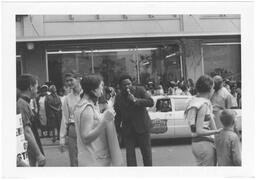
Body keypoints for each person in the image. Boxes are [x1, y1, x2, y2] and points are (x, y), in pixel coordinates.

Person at [74, 74, 122, 166]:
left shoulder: (86, 105)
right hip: (93, 161)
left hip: (93, 159)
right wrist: (105, 121)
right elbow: (86, 138)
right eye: (101, 86)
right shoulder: (87, 108)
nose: (102, 89)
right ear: (94, 90)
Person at [114, 74, 154, 166]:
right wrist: (117, 130)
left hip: (143, 128)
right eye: (124, 85)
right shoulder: (118, 97)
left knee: (146, 154)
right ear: (120, 86)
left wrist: (136, 100)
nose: (127, 86)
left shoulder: (140, 90)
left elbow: (151, 102)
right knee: (130, 156)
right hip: (128, 130)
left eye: (129, 84)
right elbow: (118, 115)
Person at [184, 75, 222, 166]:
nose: (213, 90)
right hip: (204, 144)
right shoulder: (203, 105)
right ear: (210, 89)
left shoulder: (194, 101)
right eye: (213, 87)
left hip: (196, 144)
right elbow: (199, 130)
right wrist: (217, 131)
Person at [17, 74, 46, 166]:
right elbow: (27, 131)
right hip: (27, 152)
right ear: (31, 87)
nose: (37, 89)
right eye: (36, 86)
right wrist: (39, 154)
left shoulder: (24, 103)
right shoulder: (22, 104)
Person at [59, 71, 82, 166]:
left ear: (78, 79)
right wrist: (62, 139)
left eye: (71, 80)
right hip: (73, 129)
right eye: (67, 81)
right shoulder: (67, 98)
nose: (69, 83)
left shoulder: (88, 94)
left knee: (88, 159)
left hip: (87, 128)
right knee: (74, 160)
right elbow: (64, 118)